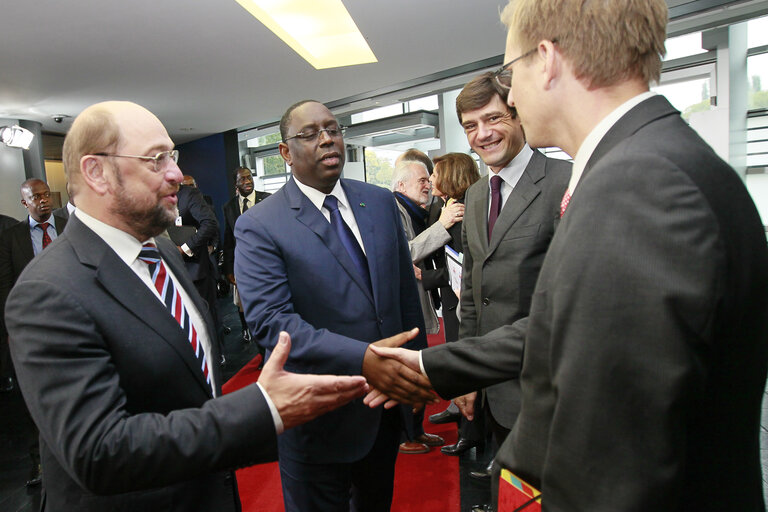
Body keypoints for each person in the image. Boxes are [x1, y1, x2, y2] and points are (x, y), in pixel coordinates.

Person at [368, 1, 768, 510]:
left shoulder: (637, 186)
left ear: (548, 59)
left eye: (510, 72)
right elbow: (572, 326)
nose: (510, 93)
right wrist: (433, 364)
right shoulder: (654, 162)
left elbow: (614, 450)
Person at [5, 100, 370, 512]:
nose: (177, 174)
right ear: (97, 173)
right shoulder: (47, 291)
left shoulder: (163, 253)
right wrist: (261, 408)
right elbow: (99, 452)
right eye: (157, 160)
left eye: (172, 157)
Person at [234, 99, 434, 512]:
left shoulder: (378, 202)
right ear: (285, 153)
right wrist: (365, 359)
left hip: (385, 409)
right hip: (317, 419)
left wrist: (418, 367)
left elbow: (401, 295)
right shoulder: (260, 224)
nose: (327, 139)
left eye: (333, 129)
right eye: (310, 134)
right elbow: (273, 323)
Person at [440, 72, 571, 481]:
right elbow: (476, 292)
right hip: (495, 394)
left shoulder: (564, 182)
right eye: (470, 126)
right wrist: (467, 375)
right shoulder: (476, 195)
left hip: (549, 393)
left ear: (518, 116)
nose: (482, 134)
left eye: (493, 119)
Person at [392, 159, 463, 454]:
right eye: (421, 179)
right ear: (401, 186)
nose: (428, 184)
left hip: (416, 306)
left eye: (428, 178)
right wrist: (443, 225)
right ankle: (404, 435)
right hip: (404, 310)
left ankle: (415, 431)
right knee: (407, 373)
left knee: (417, 371)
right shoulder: (394, 211)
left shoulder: (416, 212)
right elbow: (405, 252)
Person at [0, 179, 67, 487]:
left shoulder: (69, 227)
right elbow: (5, 289)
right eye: (35, 197)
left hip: (71, 323)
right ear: (23, 202)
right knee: (33, 397)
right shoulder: (10, 238)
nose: (42, 201)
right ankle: (38, 459)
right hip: (33, 330)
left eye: (45, 195)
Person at [222, 166, 270, 343]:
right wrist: (228, 268)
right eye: (242, 179)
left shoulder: (268, 199)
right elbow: (228, 240)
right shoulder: (229, 207)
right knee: (243, 302)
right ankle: (246, 329)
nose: (247, 181)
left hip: (267, 263)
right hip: (242, 264)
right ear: (235, 183)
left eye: (249, 177)